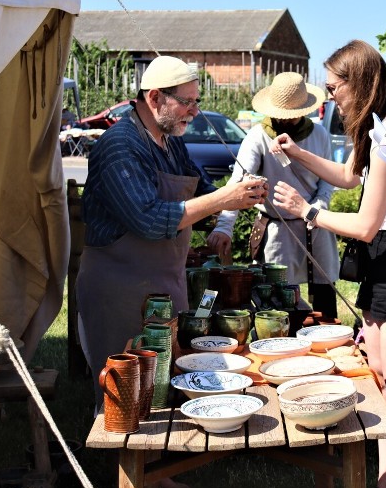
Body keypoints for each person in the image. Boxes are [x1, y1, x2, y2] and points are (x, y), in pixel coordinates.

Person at [271, 39, 386, 488]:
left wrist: (307, 211)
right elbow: (350, 177)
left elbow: (365, 225)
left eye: (333, 88)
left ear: (359, 84)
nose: (329, 99)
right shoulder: (380, 126)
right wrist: (300, 153)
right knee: (383, 378)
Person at [77, 55, 267, 411]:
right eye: (186, 102)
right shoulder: (119, 146)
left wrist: (237, 196)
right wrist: (223, 198)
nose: (194, 112)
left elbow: (200, 190)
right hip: (118, 289)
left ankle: (162, 458)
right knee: (125, 394)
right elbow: (147, 219)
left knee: (166, 384)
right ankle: (123, 465)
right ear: (154, 98)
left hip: (164, 283)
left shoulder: (171, 140)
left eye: (197, 102)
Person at [207, 72, 340, 318]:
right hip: (277, 230)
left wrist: (315, 210)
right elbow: (239, 183)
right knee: (279, 308)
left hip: (317, 225)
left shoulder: (319, 135)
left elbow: (328, 181)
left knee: (325, 303)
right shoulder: (257, 136)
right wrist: (225, 227)